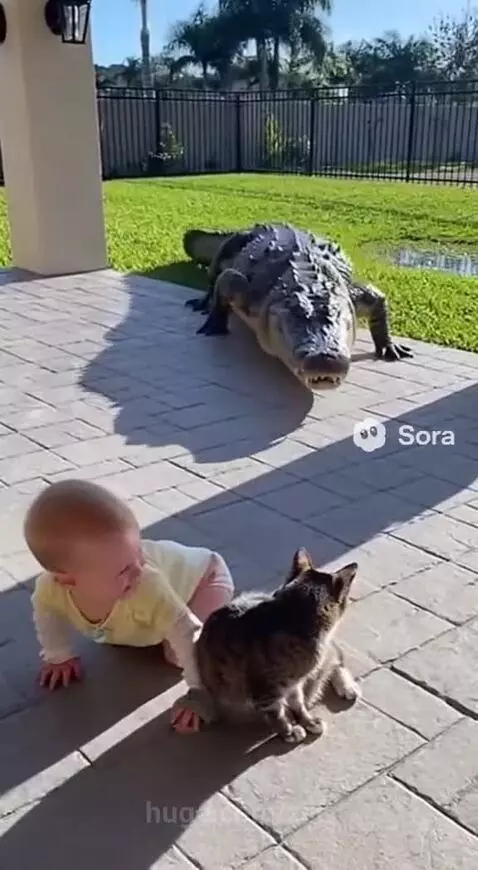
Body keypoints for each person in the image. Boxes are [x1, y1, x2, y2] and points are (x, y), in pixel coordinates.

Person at [24, 479, 234, 733]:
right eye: (124, 568)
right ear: (67, 579)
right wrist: (58, 654)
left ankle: (236, 632)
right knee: (138, 630)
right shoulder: (49, 590)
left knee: (176, 654)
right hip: (154, 608)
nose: (139, 569)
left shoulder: (144, 582)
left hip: (205, 579)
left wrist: (202, 693)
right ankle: (153, 621)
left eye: (139, 552)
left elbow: (186, 631)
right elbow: (47, 615)